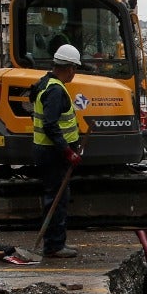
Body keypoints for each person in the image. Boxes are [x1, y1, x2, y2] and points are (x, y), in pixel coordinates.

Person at [30, 43, 84, 258]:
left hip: (48, 151)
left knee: (56, 197)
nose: (74, 73)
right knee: (57, 200)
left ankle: (55, 243)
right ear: (70, 68)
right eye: (75, 68)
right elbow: (50, 125)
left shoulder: (45, 83)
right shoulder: (55, 90)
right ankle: (54, 246)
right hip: (54, 153)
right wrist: (67, 151)